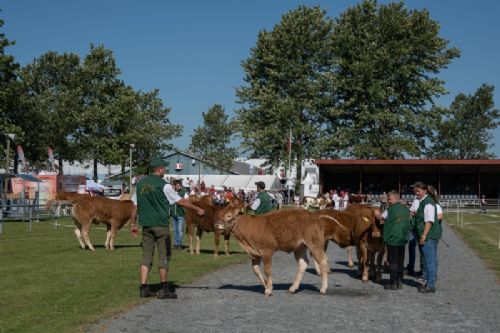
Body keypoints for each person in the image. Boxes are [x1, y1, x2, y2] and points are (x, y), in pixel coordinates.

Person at [132, 157, 204, 299]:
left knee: (146, 257)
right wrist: (197, 209)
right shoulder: (164, 185)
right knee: (164, 256)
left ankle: (143, 288)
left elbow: (134, 207)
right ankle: (164, 288)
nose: (165, 170)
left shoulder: (140, 184)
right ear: (159, 169)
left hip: (146, 225)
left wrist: (133, 224)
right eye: (164, 168)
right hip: (161, 226)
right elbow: (181, 201)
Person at [375, 191, 411, 290]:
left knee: (393, 261)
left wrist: (377, 214)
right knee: (400, 261)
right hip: (403, 238)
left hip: (393, 238)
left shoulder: (390, 210)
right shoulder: (405, 208)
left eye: (390, 199)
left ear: (396, 198)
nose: (388, 201)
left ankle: (393, 283)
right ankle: (399, 282)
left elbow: (380, 218)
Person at [413, 182, 441, 293]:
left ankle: (430, 285)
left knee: (429, 261)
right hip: (430, 235)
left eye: (418, 191)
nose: (416, 193)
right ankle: (430, 282)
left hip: (429, 236)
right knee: (431, 260)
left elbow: (429, 221)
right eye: (415, 192)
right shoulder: (424, 201)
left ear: (425, 191)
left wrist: (423, 235)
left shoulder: (428, 203)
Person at [171, 179, 189, 249]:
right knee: (175, 230)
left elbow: (187, 201)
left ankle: (179, 244)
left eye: (179, 185)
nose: (178, 187)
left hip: (181, 214)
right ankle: (176, 243)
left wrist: (182, 202)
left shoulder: (184, 192)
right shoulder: (172, 192)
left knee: (180, 230)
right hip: (174, 214)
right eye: (177, 185)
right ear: (174, 186)